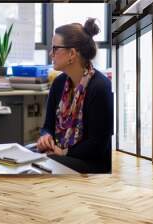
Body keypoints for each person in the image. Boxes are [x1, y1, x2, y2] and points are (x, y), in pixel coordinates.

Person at [37, 18, 113, 173]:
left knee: (45, 163)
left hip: (91, 163)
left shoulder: (100, 87)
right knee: (30, 156)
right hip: (60, 154)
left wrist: (63, 152)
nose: (51, 54)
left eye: (55, 48)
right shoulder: (58, 83)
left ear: (72, 53)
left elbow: (98, 145)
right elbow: (47, 126)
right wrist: (45, 137)